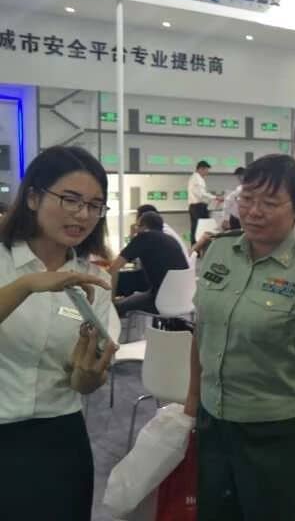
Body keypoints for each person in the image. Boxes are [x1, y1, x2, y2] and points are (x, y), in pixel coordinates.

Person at [183, 154, 295, 521]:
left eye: (269, 202)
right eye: (247, 198)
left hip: (277, 429)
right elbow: (202, 329)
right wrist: (193, 401)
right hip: (213, 420)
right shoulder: (220, 250)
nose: (253, 211)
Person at [0, 145, 117, 521]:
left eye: (94, 205)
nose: (82, 215)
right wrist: (28, 285)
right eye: (70, 200)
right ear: (33, 197)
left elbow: (82, 384)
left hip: (59, 437)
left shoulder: (94, 281)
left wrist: (88, 375)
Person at [109, 211, 189, 316]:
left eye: (137, 226)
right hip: (182, 298)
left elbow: (114, 268)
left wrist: (111, 301)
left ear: (143, 226)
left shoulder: (144, 237)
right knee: (134, 292)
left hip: (159, 300)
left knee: (114, 307)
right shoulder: (170, 239)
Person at [188, 160, 220, 246]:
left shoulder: (196, 178)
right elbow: (201, 194)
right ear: (201, 169)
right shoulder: (197, 178)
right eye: (206, 170)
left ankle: (197, 247)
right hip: (198, 207)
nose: (207, 172)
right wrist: (215, 197)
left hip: (197, 206)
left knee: (197, 228)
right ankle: (198, 248)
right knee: (200, 228)